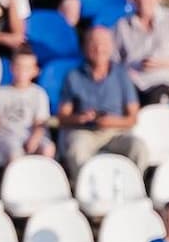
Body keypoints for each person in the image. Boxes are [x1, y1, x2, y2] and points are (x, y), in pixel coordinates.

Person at [57, 23, 147, 173]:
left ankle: (134, 187)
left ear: (111, 47)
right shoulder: (73, 76)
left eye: (103, 44)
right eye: (93, 44)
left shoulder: (122, 75)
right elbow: (62, 116)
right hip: (85, 132)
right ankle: (86, 190)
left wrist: (112, 122)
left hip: (116, 132)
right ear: (85, 47)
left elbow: (133, 117)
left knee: (138, 147)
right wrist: (80, 118)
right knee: (77, 149)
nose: (99, 49)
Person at [0, 43, 52, 168]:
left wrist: (34, 139)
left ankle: (42, 181)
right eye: (19, 67)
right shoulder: (0, 93)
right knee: (15, 152)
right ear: (11, 67)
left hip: (29, 135)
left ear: (35, 70)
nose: (22, 72)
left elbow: (41, 123)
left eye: (27, 68)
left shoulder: (39, 93)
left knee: (48, 148)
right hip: (6, 137)